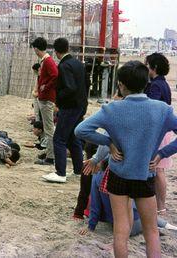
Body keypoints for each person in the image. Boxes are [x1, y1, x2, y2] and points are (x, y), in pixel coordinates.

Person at [75, 60, 177, 258]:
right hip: (145, 174)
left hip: (118, 175)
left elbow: (81, 130)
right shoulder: (162, 109)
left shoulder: (111, 109)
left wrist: (109, 142)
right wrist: (162, 153)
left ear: (121, 84)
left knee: (120, 231)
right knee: (152, 232)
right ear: (146, 83)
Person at [42, 38, 87, 183]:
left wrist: (58, 100)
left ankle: (60, 172)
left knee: (59, 139)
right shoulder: (78, 63)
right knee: (73, 138)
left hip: (69, 106)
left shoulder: (64, 65)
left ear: (56, 51)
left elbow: (70, 87)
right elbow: (87, 83)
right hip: (80, 105)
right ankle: (78, 170)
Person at [144, 52, 173, 216]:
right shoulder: (163, 83)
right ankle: (159, 205)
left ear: (153, 67)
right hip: (164, 130)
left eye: (147, 65)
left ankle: (160, 206)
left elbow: (151, 108)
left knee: (158, 170)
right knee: (159, 170)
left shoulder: (155, 85)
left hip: (159, 131)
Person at [31, 37, 58, 166]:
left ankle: (51, 157)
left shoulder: (47, 61)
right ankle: (49, 153)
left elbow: (55, 76)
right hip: (45, 98)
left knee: (49, 129)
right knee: (48, 128)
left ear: (36, 48)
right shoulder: (45, 60)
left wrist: (45, 86)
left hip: (47, 99)